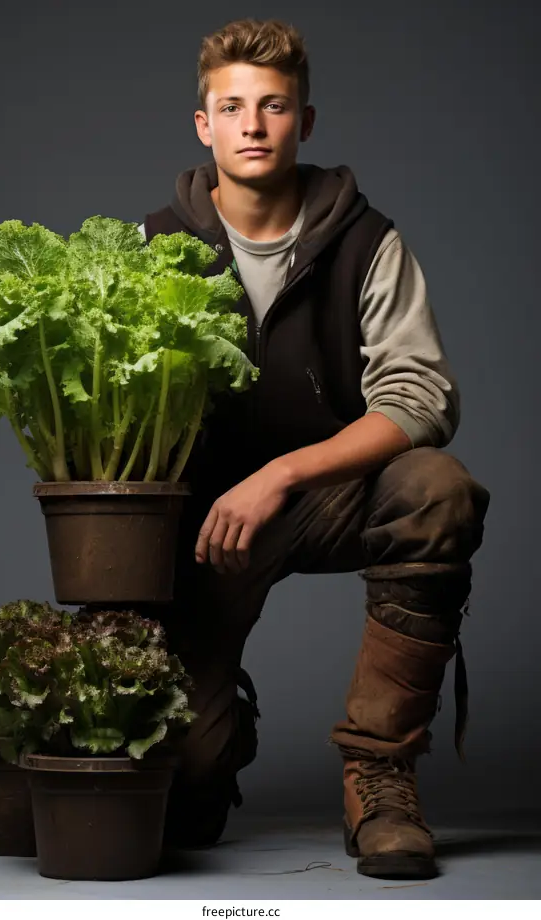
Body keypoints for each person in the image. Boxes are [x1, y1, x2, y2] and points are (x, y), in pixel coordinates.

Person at [139, 17, 491, 881]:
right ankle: (218, 745)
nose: (253, 125)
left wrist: (282, 472)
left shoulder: (368, 241)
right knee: (180, 806)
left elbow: (421, 398)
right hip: (209, 527)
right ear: (203, 125)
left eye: (275, 106)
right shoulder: (150, 247)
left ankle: (380, 772)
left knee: (438, 487)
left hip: (339, 494)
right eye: (233, 107)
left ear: (305, 119)